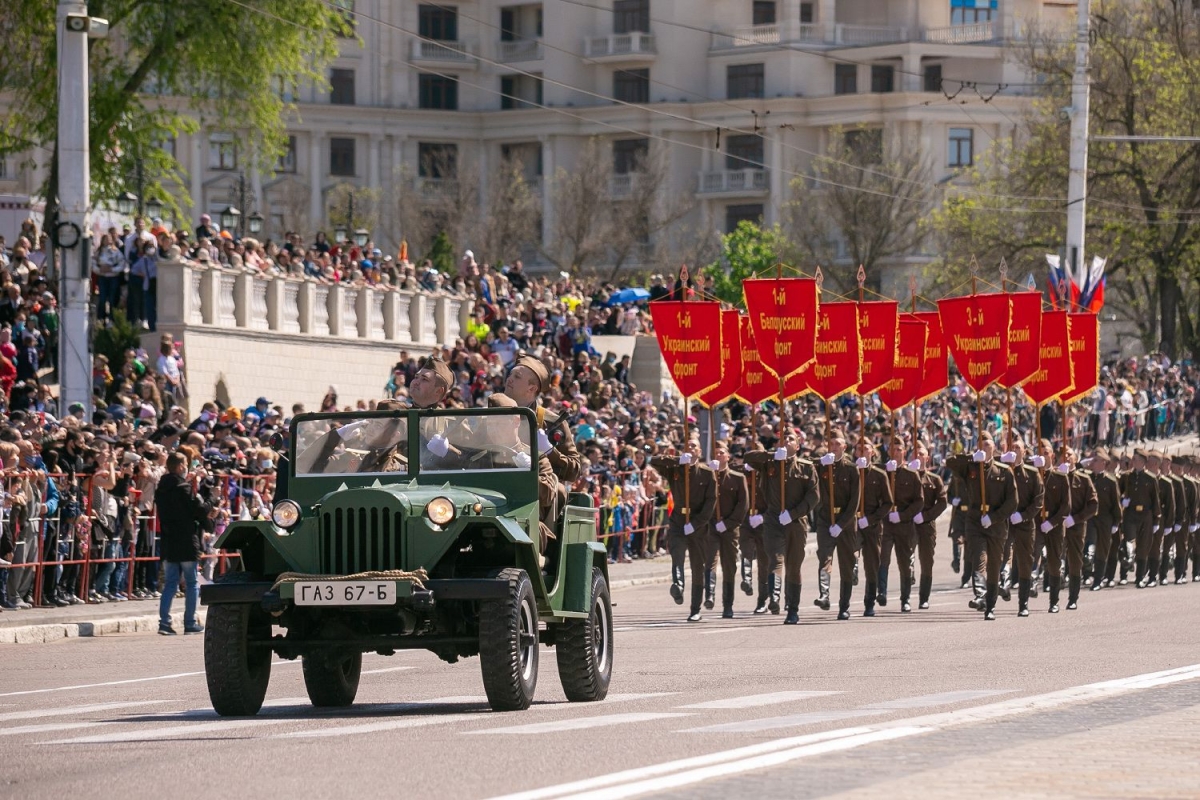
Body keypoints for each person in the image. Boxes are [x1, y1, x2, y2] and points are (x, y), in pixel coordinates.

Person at [743, 428, 819, 625]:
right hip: (773, 520)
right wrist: (772, 454)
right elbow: (748, 457)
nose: (785, 442)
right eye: (782, 439)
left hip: (796, 522)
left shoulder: (806, 467)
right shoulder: (770, 463)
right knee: (775, 559)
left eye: (790, 439)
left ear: (798, 445)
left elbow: (814, 496)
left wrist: (793, 513)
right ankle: (774, 598)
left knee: (793, 567)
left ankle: (792, 609)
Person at [946, 431, 1018, 620]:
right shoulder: (971, 467)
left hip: (996, 525)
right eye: (981, 444)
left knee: (994, 566)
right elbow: (950, 463)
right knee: (979, 557)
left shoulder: (1004, 471)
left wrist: (994, 518)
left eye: (988, 444)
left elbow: (1012, 502)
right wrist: (971, 456)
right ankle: (979, 595)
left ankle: (990, 606)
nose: (984, 447)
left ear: (994, 447)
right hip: (975, 521)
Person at [651, 438, 716, 622]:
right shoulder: (676, 468)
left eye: (694, 446)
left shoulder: (707, 473)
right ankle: (678, 585)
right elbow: (654, 461)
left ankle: (695, 609)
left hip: (698, 524)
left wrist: (696, 524)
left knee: (698, 566)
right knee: (677, 554)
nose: (690, 448)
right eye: (687, 446)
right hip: (679, 520)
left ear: (700, 452)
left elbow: (711, 502)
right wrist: (677, 460)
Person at [154, 451, 214, 635]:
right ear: (181, 466)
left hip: (169, 540)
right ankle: (190, 622)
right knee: (191, 582)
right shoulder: (184, 488)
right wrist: (212, 498)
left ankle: (164, 623)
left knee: (170, 583)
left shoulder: (161, 488)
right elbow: (199, 509)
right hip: (187, 540)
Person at [813, 430, 860, 620]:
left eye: (837, 444)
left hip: (846, 522)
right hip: (825, 519)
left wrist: (841, 524)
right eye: (830, 444)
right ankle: (824, 595)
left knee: (846, 564)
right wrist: (820, 464)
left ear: (844, 447)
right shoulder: (822, 465)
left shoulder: (851, 469)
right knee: (824, 556)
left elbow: (855, 501)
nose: (833, 447)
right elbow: (807, 467)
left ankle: (844, 606)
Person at [879, 437, 925, 613]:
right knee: (882, 559)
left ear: (904, 452)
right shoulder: (881, 472)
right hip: (885, 522)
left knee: (904, 562)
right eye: (893, 449)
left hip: (903, 524)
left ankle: (905, 599)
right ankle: (881, 592)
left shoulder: (911, 474)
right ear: (888, 451)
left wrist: (903, 515)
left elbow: (919, 502)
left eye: (899, 449)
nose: (896, 452)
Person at [704, 439, 747, 619]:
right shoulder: (707, 476)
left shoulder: (738, 478)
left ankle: (727, 605)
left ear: (728, 456)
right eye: (716, 453)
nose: (718, 455)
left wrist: (728, 523)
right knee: (710, 561)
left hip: (730, 529)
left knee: (729, 567)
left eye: (721, 452)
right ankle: (710, 595)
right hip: (711, 526)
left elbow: (743, 505)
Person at [1004, 437, 1043, 617]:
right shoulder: (1004, 471)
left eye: (1018, 447)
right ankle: (1002, 586)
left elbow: (1038, 501)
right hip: (1006, 523)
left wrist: (1023, 515)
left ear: (1025, 452)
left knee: (1026, 562)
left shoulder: (1032, 473)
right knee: (1003, 556)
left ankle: (1023, 602)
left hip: (1026, 524)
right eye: (1012, 447)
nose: (1015, 450)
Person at [853, 439, 892, 618]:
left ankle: (869, 603)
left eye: (865, 449)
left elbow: (887, 503)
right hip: (852, 523)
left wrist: (871, 519)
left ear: (872, 452)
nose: (862, 452)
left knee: (871, 566)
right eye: (858, 449)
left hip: (872, 525)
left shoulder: (879, 475)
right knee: (850, 554)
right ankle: (853, 568)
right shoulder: (850, 472)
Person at [1035, 438, 1071, 612]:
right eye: (1039, 453)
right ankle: (1028, 592)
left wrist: (1052, 522)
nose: (1043, 456)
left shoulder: (1060, 477)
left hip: (1054, 526)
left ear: (1053, 456)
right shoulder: (1033, 475)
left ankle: (1054, 601)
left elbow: (1066, 506)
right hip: (1037, 524)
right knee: (1033, 555)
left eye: (1046, 453)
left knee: (1054, 563)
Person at [913, 440, 948, 610]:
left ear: (927, 458)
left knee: (927, 562)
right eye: (915, 453)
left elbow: (942, 503)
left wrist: (926, 516)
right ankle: (906, 594)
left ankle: (923, 597)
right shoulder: (903, 476)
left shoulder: (934, 479)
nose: (918, 457)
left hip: (926, 525)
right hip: (908, 524)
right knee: (906, 559)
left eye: (921, 454)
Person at [1063, 448, 1098, 610]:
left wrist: (1075, 519)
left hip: (1076, 527)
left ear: (1076, 458)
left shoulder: (1084, 479)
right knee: (1054, 561)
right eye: (1063, 454)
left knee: (1075, 562)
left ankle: (1073, 598)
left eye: (1069, 454)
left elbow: (1093, 505)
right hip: (1057, 526)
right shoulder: (1055, 477)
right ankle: (1054, 598)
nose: (1066, 457)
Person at [1120, 448, 1160, 586]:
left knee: (1143, 546)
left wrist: (1156, 520)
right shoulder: (1126, 477)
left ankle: (1140, 577)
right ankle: (1127, 564)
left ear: (1143, 462)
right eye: (1133, 459)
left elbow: (1156, 500)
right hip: (1130, 513)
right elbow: (1117, 492)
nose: (1133, 461)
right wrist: (1121, 501)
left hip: (1146, 515)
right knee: (1129, 541)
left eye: (1136, 459)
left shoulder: (1151, 478)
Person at [1087, 448, 1122, 592]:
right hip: (1090, 519)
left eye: (1095, 460)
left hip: (1105, 519)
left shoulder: (1110, 481)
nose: (1092, 463)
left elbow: (1116, 503)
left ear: (1103, 463)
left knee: (1102, 550)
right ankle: (1088, 573)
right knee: (1089, 547)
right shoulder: (1087, 478)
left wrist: (1116, 522)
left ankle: (1098, 580)